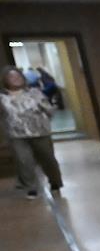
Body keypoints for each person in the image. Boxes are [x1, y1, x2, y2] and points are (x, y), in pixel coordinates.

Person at [0, 66, 64, 198]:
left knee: (48, 159)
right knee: (24, 161)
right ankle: (31, 188)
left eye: (18, 76)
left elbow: (48, 110)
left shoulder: (35, 93)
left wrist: (43, 120)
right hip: (17, 135)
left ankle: (55, 182)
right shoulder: (2, 98)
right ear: (5, 80)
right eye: (12, 77)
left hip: (40, 132)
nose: (16, 79)